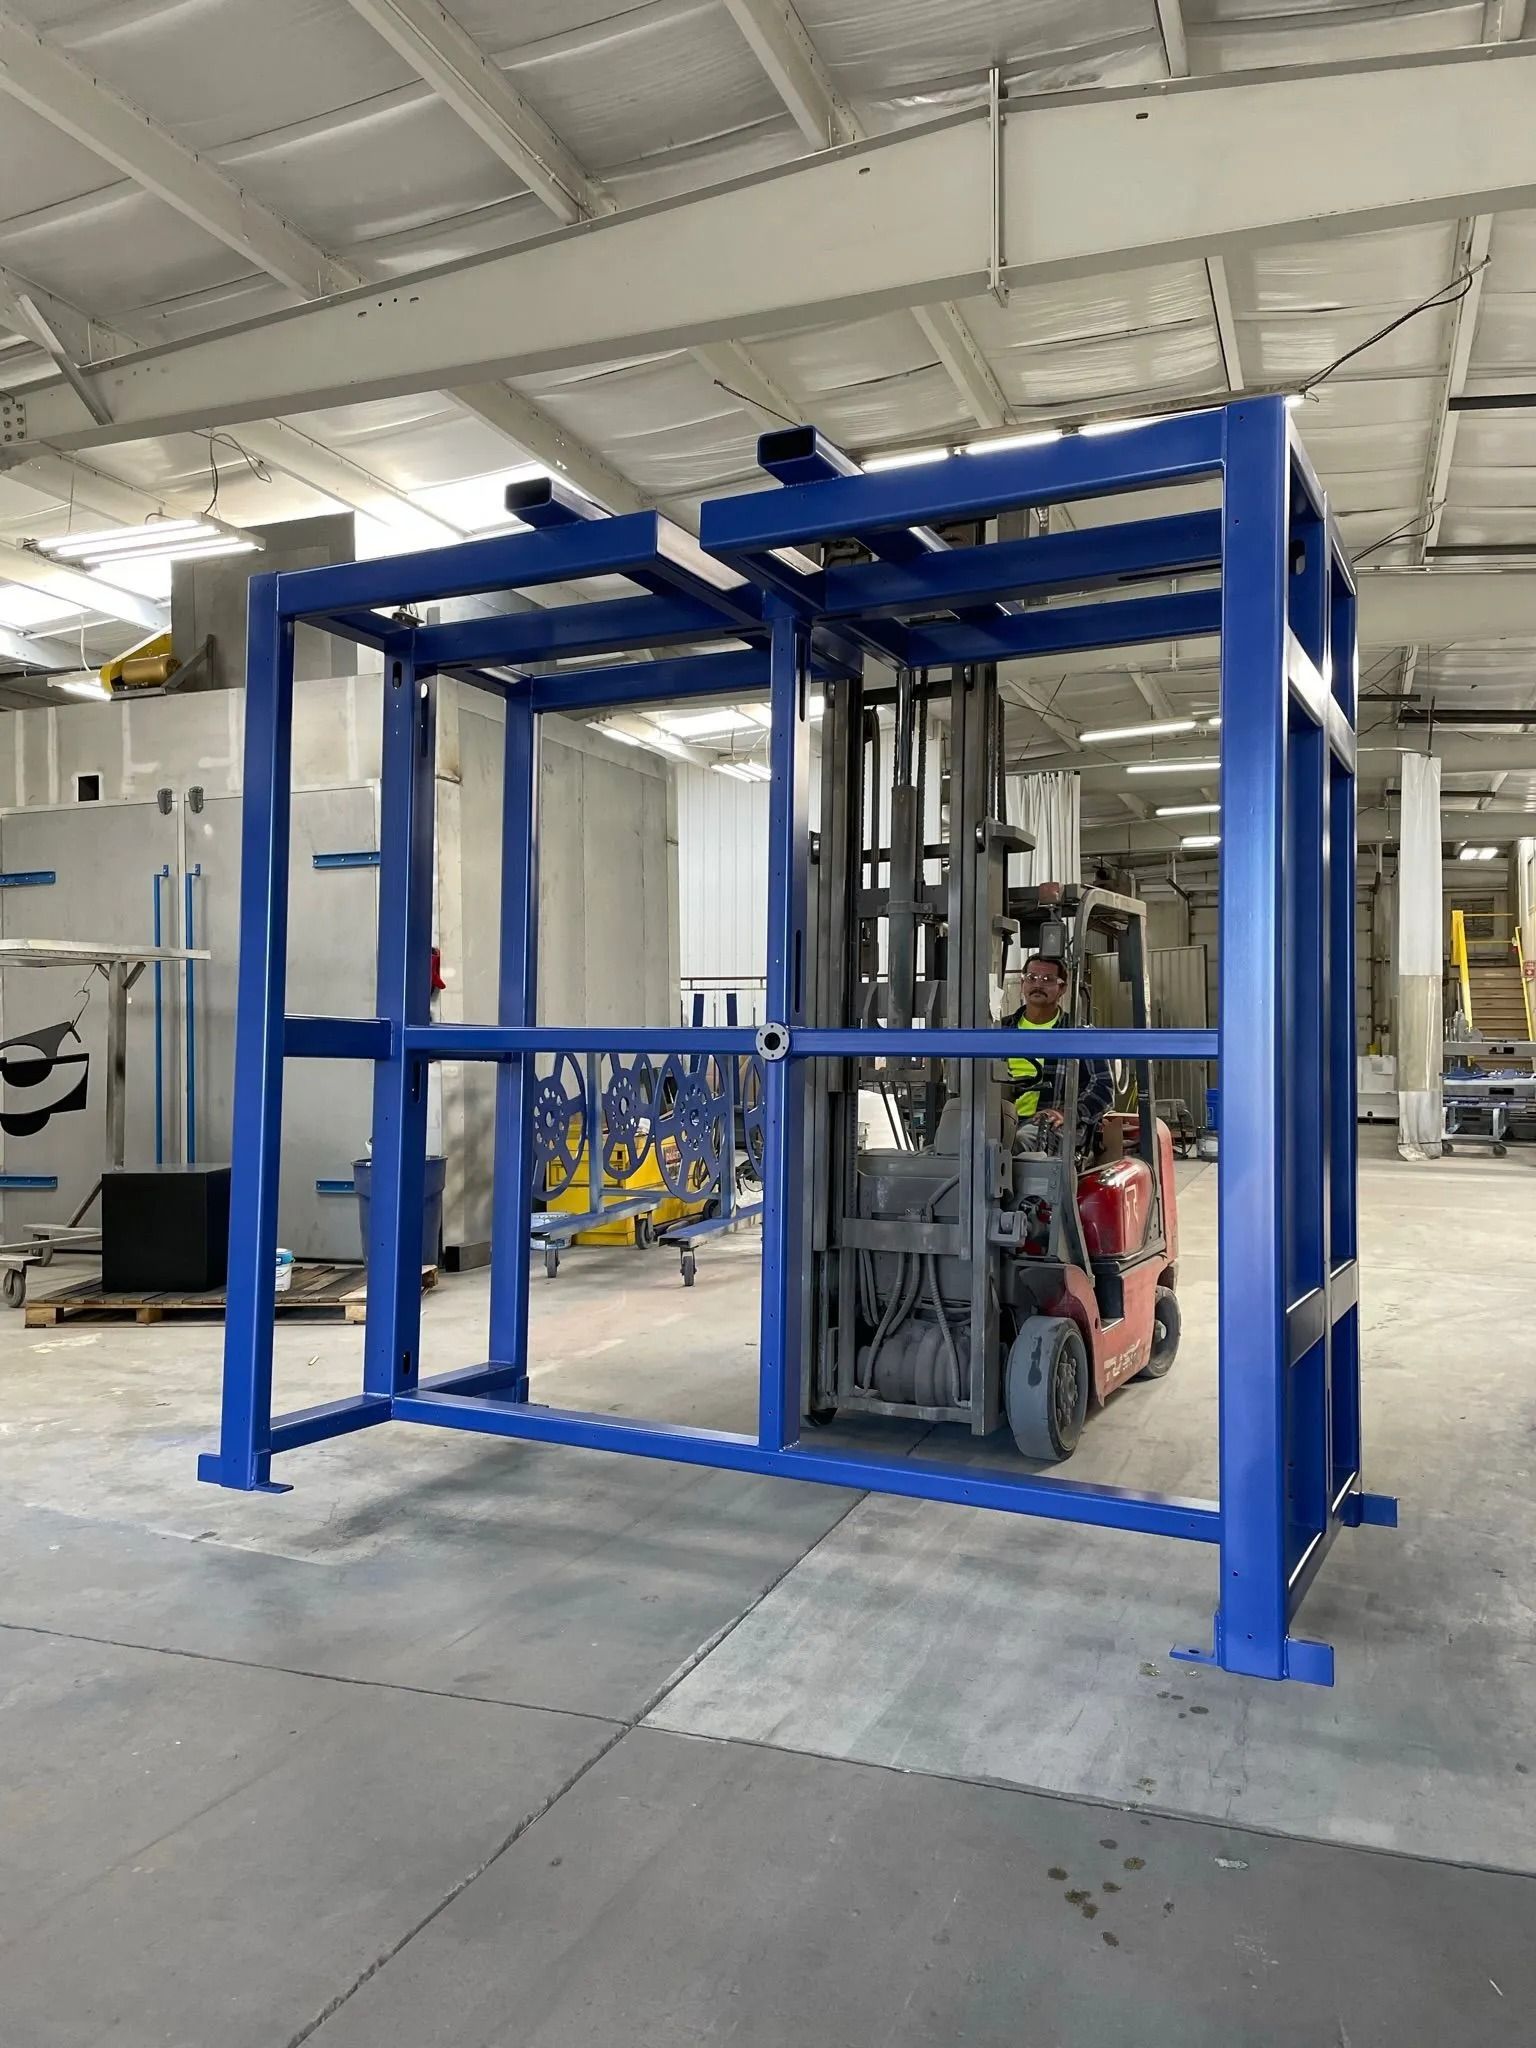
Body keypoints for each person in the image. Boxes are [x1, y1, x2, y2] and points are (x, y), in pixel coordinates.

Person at [1004, 953, 1115, 1146]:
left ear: (1062, 988)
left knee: (1019, 1142)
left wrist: (1068, 1113)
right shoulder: (1000, 1031)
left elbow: (1103, 1088)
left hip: (1051, 1123)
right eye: (1031, 978)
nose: (1038, 985)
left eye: (1047, 980)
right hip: (1001, 1117)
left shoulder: (1079, 1034)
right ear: (1022, 984)